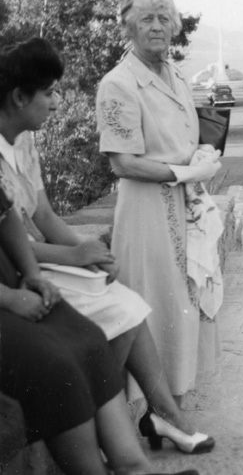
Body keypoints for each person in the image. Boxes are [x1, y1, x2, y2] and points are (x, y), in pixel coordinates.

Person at [0, 37, 214, 454]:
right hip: (14, 274)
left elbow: (43, 217)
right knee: (121, 311)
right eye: (49, 93)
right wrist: (74, 256)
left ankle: (155, 416)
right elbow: (10, 244)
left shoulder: (23, 141)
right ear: (18, 97)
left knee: (126, 303)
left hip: (34, 263)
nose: (58, 102)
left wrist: (89, 250)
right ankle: (114, 420)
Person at [0, 184, 198, 475]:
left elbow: (6, 218)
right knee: (54, 364)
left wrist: (32, 275)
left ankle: (136, 469)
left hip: (14, 287)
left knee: (90, 340)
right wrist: (9, 298)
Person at [96, 0, 223, 406]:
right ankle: (159, 410)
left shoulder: (177, 73)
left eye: (164, 19)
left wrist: (202, 153)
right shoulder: (118, 83)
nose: (156, 27)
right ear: (128, 27)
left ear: (175, 27)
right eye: (147, 19)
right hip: (148, 212)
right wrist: (188, 171)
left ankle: (172, 409)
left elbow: (185, 138)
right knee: (158, 307)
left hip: (186, 205)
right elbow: (123, 163)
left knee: (186, 303)